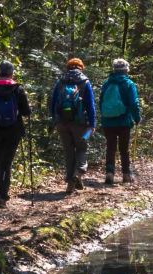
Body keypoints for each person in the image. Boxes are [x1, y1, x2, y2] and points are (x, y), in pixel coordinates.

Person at [0, 61, 32, 207]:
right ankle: (2, 196)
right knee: (6, 162)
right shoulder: (17, 88)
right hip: (13, 130)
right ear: (11, 73)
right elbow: (26, 112)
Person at [48, 58, 97, 194]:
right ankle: (78, 172)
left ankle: (71, 185)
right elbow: (90, 105)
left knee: (69, 153)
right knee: (81, 149)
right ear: (81, 68)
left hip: (62, 123)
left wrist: (55, 120)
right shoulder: (85, 82)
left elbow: (52, 103)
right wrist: (92, 124)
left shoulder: (61, 82)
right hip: (80, 123)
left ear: (68, 68)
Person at [97, 58, 143, 185]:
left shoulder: (107, 83)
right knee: (124, 149)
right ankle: (126, 175)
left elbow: (100, 102)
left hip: (108, 122)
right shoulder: (129, 84)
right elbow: (134, 103)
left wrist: (105, 116)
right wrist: (137, 118)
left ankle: (109, 174)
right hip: (123, 122)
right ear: (126, 70)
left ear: (114, 69)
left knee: (110, 148)